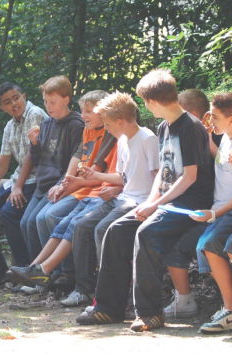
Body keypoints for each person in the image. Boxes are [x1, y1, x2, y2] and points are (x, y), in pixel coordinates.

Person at [77, 69, 214, 333]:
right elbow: (163, 174)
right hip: (166, 200)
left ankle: (150, 313)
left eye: (144, 102)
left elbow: (190, 177)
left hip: (190, 202)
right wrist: (149, 202)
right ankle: (107, 308)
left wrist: (155, 205)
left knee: (146, 234)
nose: (144, 107)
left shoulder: (191, 126)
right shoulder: (164, 127)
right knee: (115, 231)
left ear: (152, 102)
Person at [7, 90, 116, 290]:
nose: (83, 115)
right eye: (82, 111)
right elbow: (77, 157)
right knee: (38, 218)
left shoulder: (109, 134)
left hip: (90, 189)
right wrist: (65, 182)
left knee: (51, 215)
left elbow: (95, 172)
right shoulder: (86, 129)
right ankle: (39, 272)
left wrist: (71, 183)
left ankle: (63, 273)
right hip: (75, 185)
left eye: (88, 111)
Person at [61, 91, 160, 307]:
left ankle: (111, 294)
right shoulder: (122, 140)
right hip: (123, 198)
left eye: (107, 123)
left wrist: (151, 204)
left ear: (120, 121)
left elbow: (158, 177)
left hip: (139, 201)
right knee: (82, 225)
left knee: (102, 229)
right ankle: (84, 290)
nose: (105, 128)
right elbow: (122, 177)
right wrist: (95, 176)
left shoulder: (147, 139)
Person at [188, 92, 232, 333]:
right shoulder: (230, 135)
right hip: (221, 207)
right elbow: (221, 159)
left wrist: (214, 214)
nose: (210, 120)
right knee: (204, 244)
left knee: (208, 244)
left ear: (231, 119)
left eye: (215, 117)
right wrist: (208, 136)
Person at [0, 82, 47, 290]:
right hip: (18, 180)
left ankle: (24, 272)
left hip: (39, 179)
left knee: (9, 212)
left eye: (16, 98)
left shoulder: (34, 114)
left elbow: (32, 154)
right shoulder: (9, 127)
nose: (14, 104)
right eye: (7, 102)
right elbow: (2, 164)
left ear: (24, 96)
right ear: (2, 108)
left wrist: (18, 187)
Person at [16, 76, 84, 267]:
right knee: (25, 223)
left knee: (39, 220)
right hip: (42, 185)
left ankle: (55, 271)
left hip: (59, 183)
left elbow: (75, 162)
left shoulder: (76, 125)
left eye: (52, 102)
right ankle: (35, 270)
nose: (48, 106)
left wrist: (61, 184)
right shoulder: (46, 124)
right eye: (45, 101)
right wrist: (34, 144)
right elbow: (37, 159)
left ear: (66, 99)